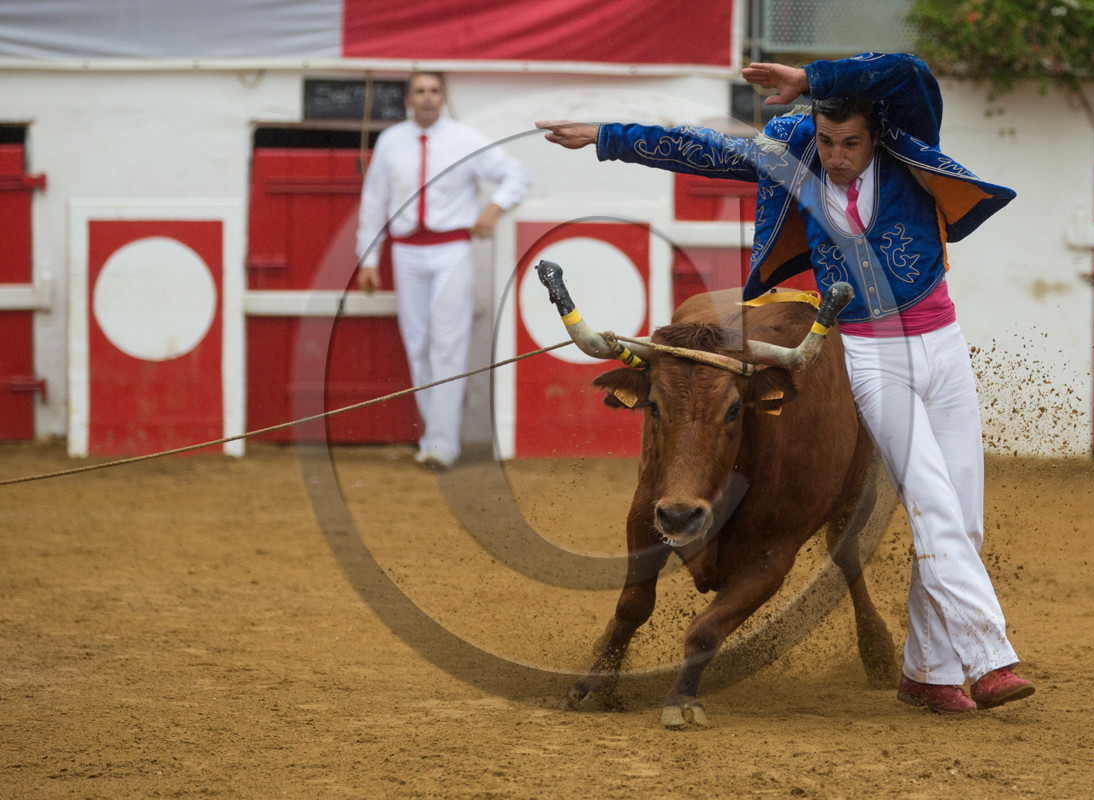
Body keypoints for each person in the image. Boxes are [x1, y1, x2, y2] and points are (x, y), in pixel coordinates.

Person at [537, 53, 1034, 713]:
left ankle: (928, 671)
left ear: (876, 134)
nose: (836, 155)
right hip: (869, 351)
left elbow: (909, 71)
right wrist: (607, 137)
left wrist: (812, 79)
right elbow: (707, 151)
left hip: (942, 344)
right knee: (934, 506)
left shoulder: (910, 138)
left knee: (960, 523)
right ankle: (990, 660)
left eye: (850, 142)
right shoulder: (796, 152)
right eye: (826, 141)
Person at [358, 72, 531, 470]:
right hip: (405, 252)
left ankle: (441, 445)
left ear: (444, 97)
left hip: (452, 249)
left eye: (434, 91)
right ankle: (434, 439)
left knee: (448, 344)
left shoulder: (465, 138)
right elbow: (374, 202)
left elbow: (516, 175)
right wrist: (368, 258)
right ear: (408, 99)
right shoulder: (390, 141)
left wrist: (494, 207)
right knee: (417, 343)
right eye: (420, 91)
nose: (427, 98)